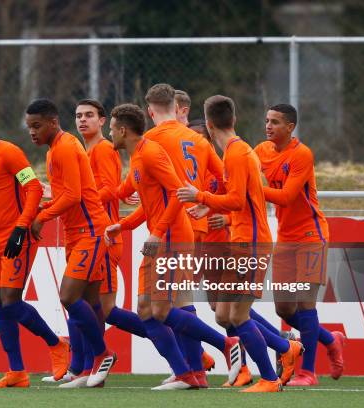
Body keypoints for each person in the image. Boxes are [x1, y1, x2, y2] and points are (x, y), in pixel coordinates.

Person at [105, 103, 241, 390]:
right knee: (146, 309)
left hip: (172, 239)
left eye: (111, 128)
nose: (109, 133)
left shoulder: (152, 153)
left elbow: (177, 194)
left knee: (160, 311)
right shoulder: (139, 156)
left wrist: (158, 232)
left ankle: (224, 345)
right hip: (160, 238)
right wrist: (124, 225)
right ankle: (187, 373)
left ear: (122, 130)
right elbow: (151, 203)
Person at [177, 95, 299, 392]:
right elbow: (240, 199)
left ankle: (270, 378)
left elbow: (234, 200)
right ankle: (286, 348)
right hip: (241, 241)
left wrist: (201, 197)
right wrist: (209, 207)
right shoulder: (238, 150)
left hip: (252, 244)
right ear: (233, 120)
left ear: (208, 124)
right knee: (223, 314)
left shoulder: (237, 153)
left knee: (238, 315)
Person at [0, 104, 69, 388]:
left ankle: (57, 345)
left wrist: (21, 227)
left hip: (17, 239)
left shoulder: (9, 153)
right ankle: (16, 372)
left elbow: (33, 188)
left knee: (10, 301)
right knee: (0, 305)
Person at [53, 99, 148, 388]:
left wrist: (77, 194)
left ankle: (185, 348)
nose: (83, 120)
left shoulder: (104, 149)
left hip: (102, 236)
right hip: (89, 235)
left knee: (97, 307)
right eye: (79, 115)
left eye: (89, 115)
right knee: (86, 304)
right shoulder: (81, 149)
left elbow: (109, 189)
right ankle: (81, 369)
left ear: (103, 121)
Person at [141, 84, 231, 388]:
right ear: (174, 107)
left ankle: (195, 366)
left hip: (172, 227)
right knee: (180, 301)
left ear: (150, 111)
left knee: (168, 306)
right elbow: (226, 179)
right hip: (196, 227)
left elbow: (164, 190)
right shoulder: (198, 140)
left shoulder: (151, 140)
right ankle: (193, 371)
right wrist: (211, 206)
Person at [25, 98, 116, 388]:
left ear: (53, 122)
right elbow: (67, 193)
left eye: (37, 126)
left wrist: (42, 216)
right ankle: (91, 371)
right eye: (29, 127)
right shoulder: (55, 150)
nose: (32, 132)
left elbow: (74, 196)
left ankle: (103, 354)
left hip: (90, 231)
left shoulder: (65, 146)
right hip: (76, 232)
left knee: (68, 297)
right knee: (90, 301)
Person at [254, 103, 345, 386]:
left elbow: (287, 197)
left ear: (290, 127)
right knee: (284, 309)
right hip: (285, 238)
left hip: (310, 237)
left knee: (305, 304)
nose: (268, 126)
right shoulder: (260, 151)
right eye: (267, 121)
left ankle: (308, 372)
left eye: (275, 122)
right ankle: (331, 340)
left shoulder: (301, 154)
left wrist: (251, 188)